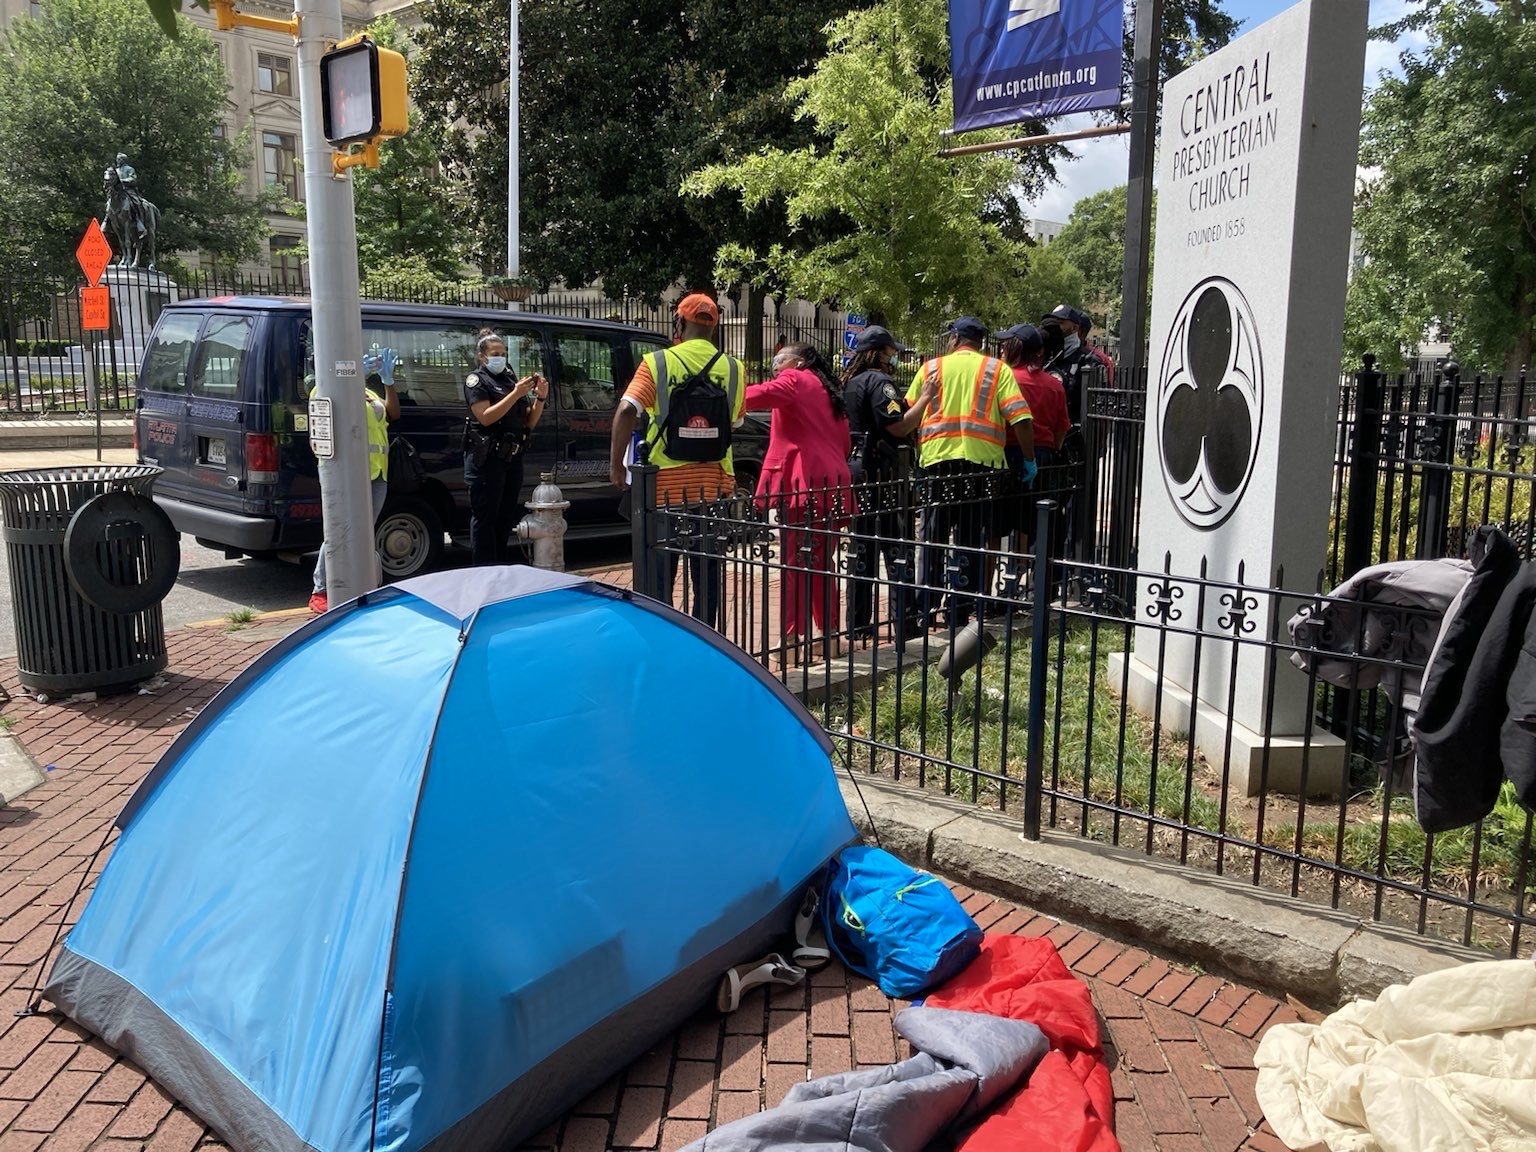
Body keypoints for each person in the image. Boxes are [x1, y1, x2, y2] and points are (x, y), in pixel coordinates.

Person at [608, 293, 746, 628]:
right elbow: (737, 422)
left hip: (663, 491)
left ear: (680, 323)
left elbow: (627, 410)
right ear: (714, 327)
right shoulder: (734, 368)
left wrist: (616, 466)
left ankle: (662, 636)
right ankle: (705, 638)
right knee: (708, 575)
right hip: (712, 488)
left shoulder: (658, 362)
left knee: (658, 576)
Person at [908, 316, 1035, 631]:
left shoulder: (931, 369)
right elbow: (1020, 418)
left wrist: (917, 458)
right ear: (980, 342)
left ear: (954, 339)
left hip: (938, 465)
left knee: (933, 539)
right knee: (971, 540)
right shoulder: (996, 370)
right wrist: (1030, 460)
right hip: (982, 468)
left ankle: (925, 608)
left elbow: (910, 412)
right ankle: (961, 611)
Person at [747, 342, 854, 666]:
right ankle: (829, 635)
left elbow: (757, 396)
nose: (776, 366)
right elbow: (846, 443)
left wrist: (723, 388)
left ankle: (791, 638)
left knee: (794, 563)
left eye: (780, 360)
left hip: (804, 481)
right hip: (832, 482)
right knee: (821, 561)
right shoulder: (828, 391)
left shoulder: (796, 380)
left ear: (801, 361)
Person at [842, 324, 921, 644]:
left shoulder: (850, 382)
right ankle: (906, 622)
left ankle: (858, 622)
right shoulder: (880, 382)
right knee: (897, 547)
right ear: (880, 353)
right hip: (884, 471)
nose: (894, 358)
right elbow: (898, 426)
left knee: (861, 549)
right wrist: (925, 400)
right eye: (891, 352)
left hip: (858, 468)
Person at [309, 354, 401, 613]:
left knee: (362, 532)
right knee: (340, 529)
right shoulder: (325, 388)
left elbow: (393, 413)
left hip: (377, 472)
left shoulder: (369, 393)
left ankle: (359, 586)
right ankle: (321, 590)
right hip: (347, 474)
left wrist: (389, 382)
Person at [463, 328, 548, 566]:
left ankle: (500, 569)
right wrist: (515, 393)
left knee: (504, 518)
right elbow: (486, 417)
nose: (500, 357)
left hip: (511, 459)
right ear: (482, 357)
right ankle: (484, 571)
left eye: (503, 352)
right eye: (495, 353)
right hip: (487, 460)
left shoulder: (510, 379)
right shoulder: (477, 381)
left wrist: (540, 398)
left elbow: (528, 421)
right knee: (485, 519)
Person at [992, 323, 1069, 552]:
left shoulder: (1002, 379)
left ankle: (987, 583)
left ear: (1014, 348)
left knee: (995, 527)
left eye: (1006, 344)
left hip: (1004, 455)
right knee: (1033, 524)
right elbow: (1062, 427)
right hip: (1042, 455)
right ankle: (1027, 581)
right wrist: (1053, 446)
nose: (1002, 349)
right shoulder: (1054, 385)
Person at [1041, 304, 1098, 426]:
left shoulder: (1089, 360)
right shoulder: (1043, 356)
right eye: (1052, 322)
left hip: (1074, 432)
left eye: (1060, 323)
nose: (1054, 327)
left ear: (1074, 328)